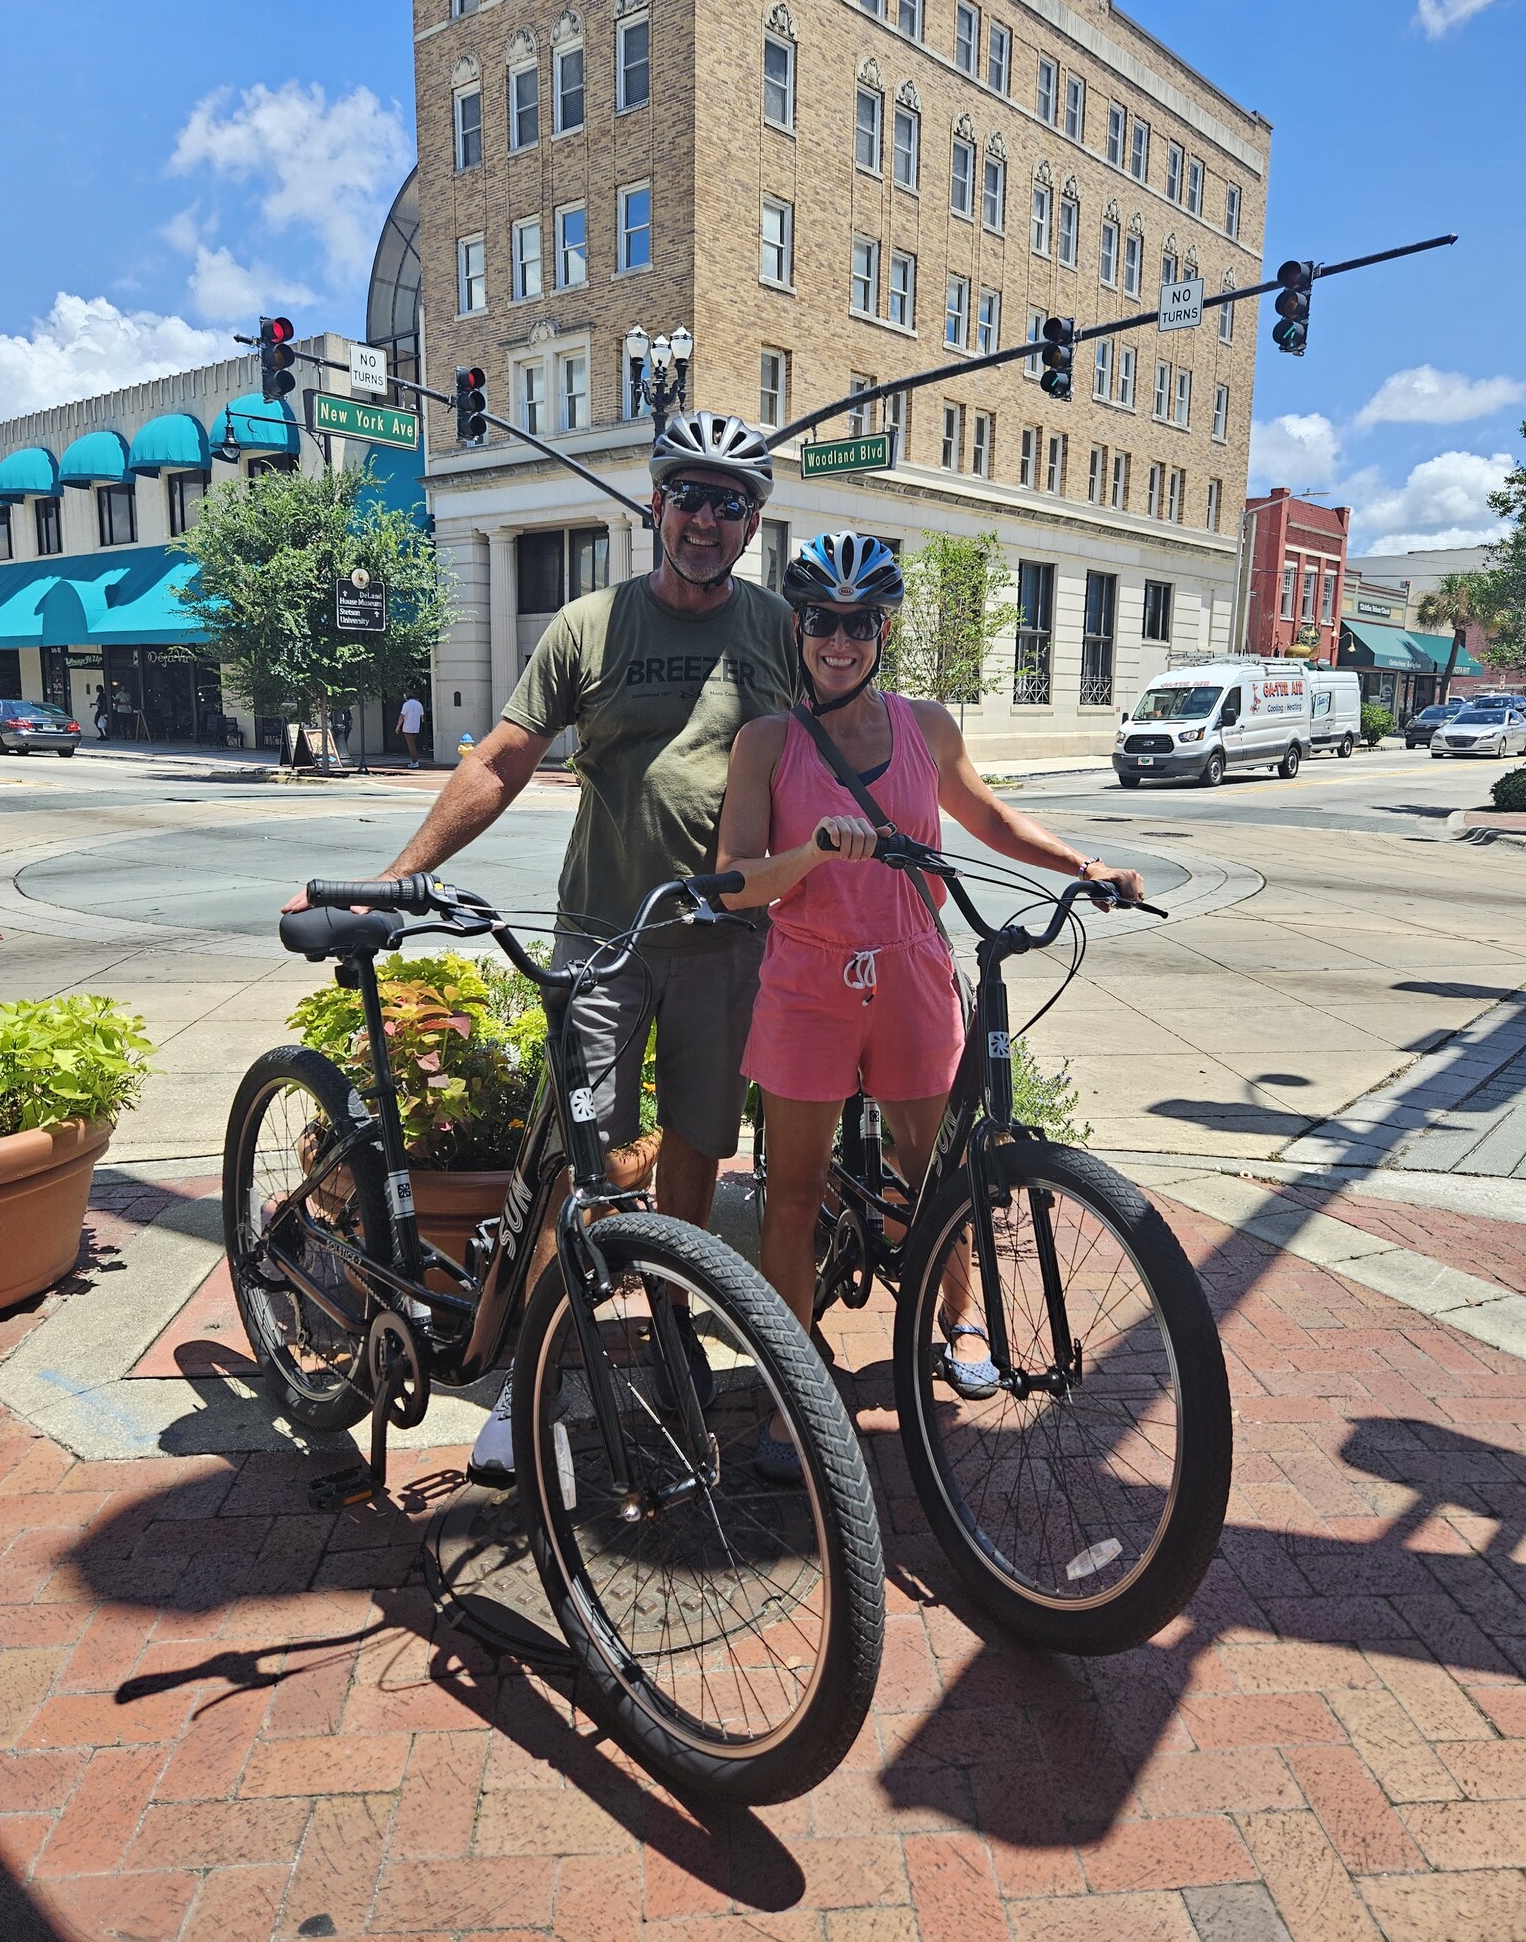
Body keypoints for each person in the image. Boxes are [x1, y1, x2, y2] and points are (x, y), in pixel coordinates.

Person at [284, 411, 797, 1483]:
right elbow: (502, 759)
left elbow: (827, 754)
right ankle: (532, 1384)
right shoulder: (589, 625)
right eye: (690, 496)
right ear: (656, 504)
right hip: (604, 937)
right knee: (584, 1162)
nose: (708, 518)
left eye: (731, 502)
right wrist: (396, 875)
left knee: (699, 1148)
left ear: (753, 523)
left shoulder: (776, 630)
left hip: (728, 946)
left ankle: (667, 1322)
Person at [716, 532, 1144, 1475]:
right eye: (824, 622)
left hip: (911, 967)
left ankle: (963, 1319)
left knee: (941, 1172)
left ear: (882, 630)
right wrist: (816, 853)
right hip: (808, 978)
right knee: (791, 1193)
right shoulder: (766, 743)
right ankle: (796, 1378)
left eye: (859, 623)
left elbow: (987, 818)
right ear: (800, 630)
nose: (841, 640)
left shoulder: (928, 727)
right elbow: (738, 882)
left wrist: (1086, 865)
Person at [397, 691, 425, 768]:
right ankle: (414, 760)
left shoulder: (406, 704)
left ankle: (415, 761)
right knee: (413, 744)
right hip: (416, 727)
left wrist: (398, 726)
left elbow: (402, 716)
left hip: (408, 727)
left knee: (411, 745)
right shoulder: (419, 704)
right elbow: (422, 716)